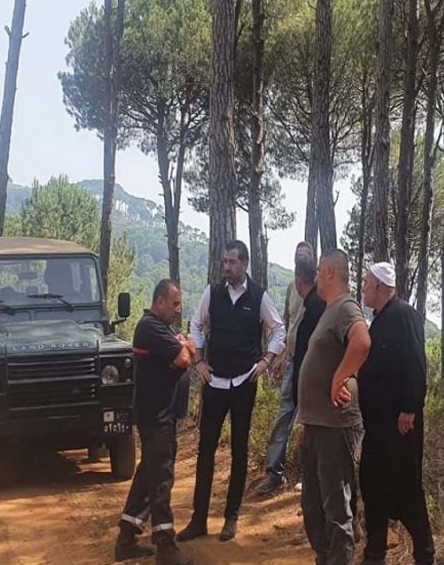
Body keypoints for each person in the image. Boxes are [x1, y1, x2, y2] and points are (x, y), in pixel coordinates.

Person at [178, 240, 286, 543]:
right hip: (214, 383)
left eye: (232, 262)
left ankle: (231, 517)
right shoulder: (211, 293)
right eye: (224, 262)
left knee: (239, 451)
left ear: (244, 264)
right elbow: (195, 325)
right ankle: (198, 519)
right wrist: (199, 361)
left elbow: (278, 330)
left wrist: (266, 361)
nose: (226, 267)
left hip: (243, 384)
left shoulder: (259, 296)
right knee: (206, 451)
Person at [297, 249, 371, 565]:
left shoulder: (346, 307)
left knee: (336, 508)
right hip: (317, 424)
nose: (315, 278)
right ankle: (325, 558)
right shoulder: (329, 311)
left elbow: (362, 342)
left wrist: (340, 377)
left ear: (329, 272)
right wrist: (306, 422)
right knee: (313, 505)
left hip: (335, 426)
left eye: (318, 272)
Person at [114, 279, 196, 565]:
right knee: (161, 478)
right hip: (156, 415)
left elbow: (187, 350)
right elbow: (185, 357)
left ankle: (126, 538)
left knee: (149, 472)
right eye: (174, 303)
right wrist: (185, 348)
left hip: (163, 413)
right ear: (159, 302)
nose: (178, 309)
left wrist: (185, 347)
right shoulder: (151, 327)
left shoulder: (162, 328)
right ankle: (165, 546)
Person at [358, 263, 435, 565]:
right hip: (378, 426)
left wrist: (410, 408)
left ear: (379, 285)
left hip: (400, 425)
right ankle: (374, 554)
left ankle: (425, 555)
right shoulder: (379, 320)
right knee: (372, 485)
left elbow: (416, 362)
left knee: (407, 491)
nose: (363, 287)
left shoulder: (404, 315)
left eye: (366, 283)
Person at [256, 241, 316, 496]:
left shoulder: (320, 291)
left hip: (311, 365)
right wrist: (280, 357)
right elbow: (288, 324)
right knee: (283, 416)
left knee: (308, 420)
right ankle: (274, 474)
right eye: (297, 255)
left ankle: (307, 476)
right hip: (292, 361)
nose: (300, 258)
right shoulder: (292, 288)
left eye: (305, 255)